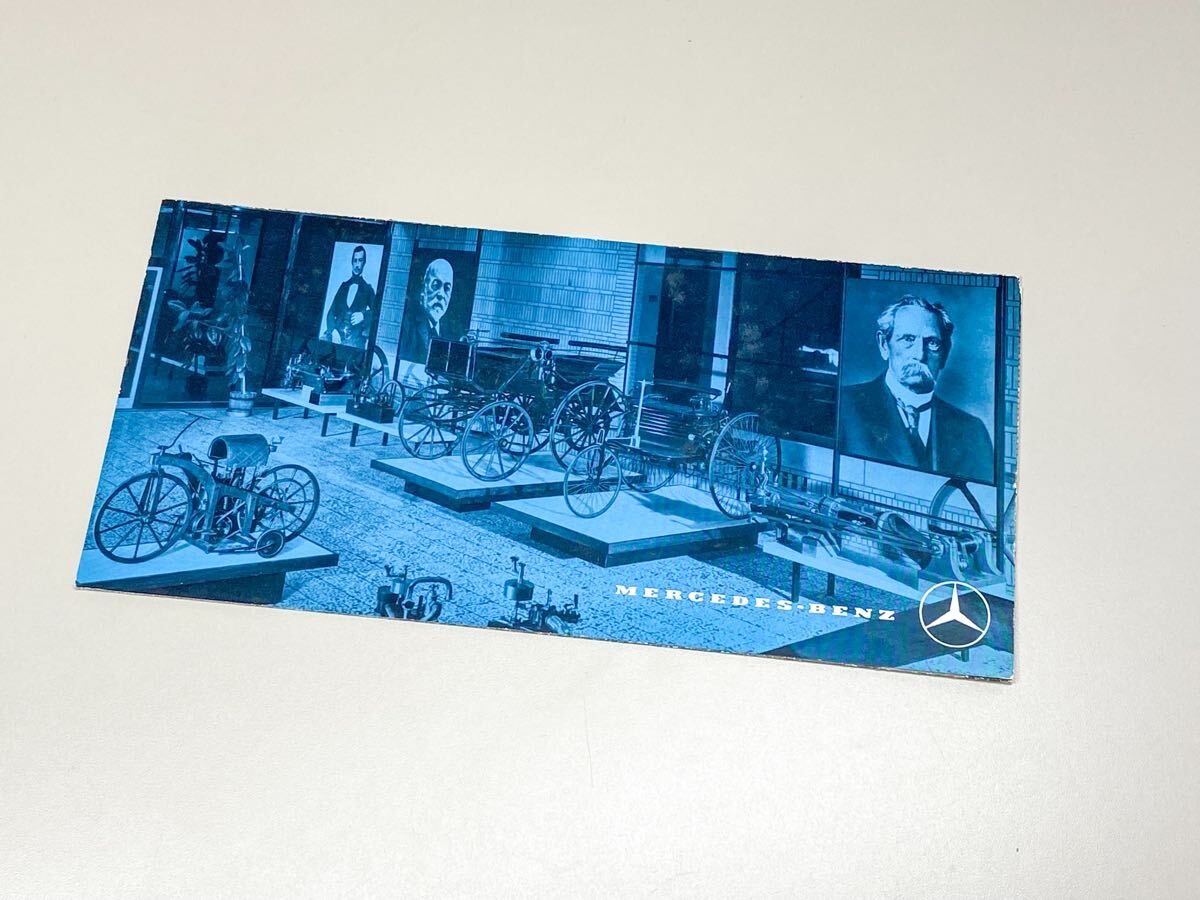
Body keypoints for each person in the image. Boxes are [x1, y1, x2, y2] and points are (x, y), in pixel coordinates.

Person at [839, 294, 994, 483]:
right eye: (908, 339)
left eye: (932, 343)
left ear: (945, 354)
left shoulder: (972, 431)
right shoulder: (844, 406)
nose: (919, 355)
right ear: (884, 345)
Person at [398, 257, 454, 363]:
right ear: (424, 287)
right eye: (436, 285)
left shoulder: (450, 332)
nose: (441, 295)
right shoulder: (407, 324)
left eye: (447, 288)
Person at [321, 245, 376, 348]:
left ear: (364, 263)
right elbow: (331, 311)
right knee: (321, 343)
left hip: (355, 339)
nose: (357, 265)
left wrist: (363, 315)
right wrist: (332, 330)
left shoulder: (368, 289)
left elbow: (377, 311)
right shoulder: (344, 286)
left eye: (360, 260)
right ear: (352, 262)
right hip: (337, 334)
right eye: (355, 261)